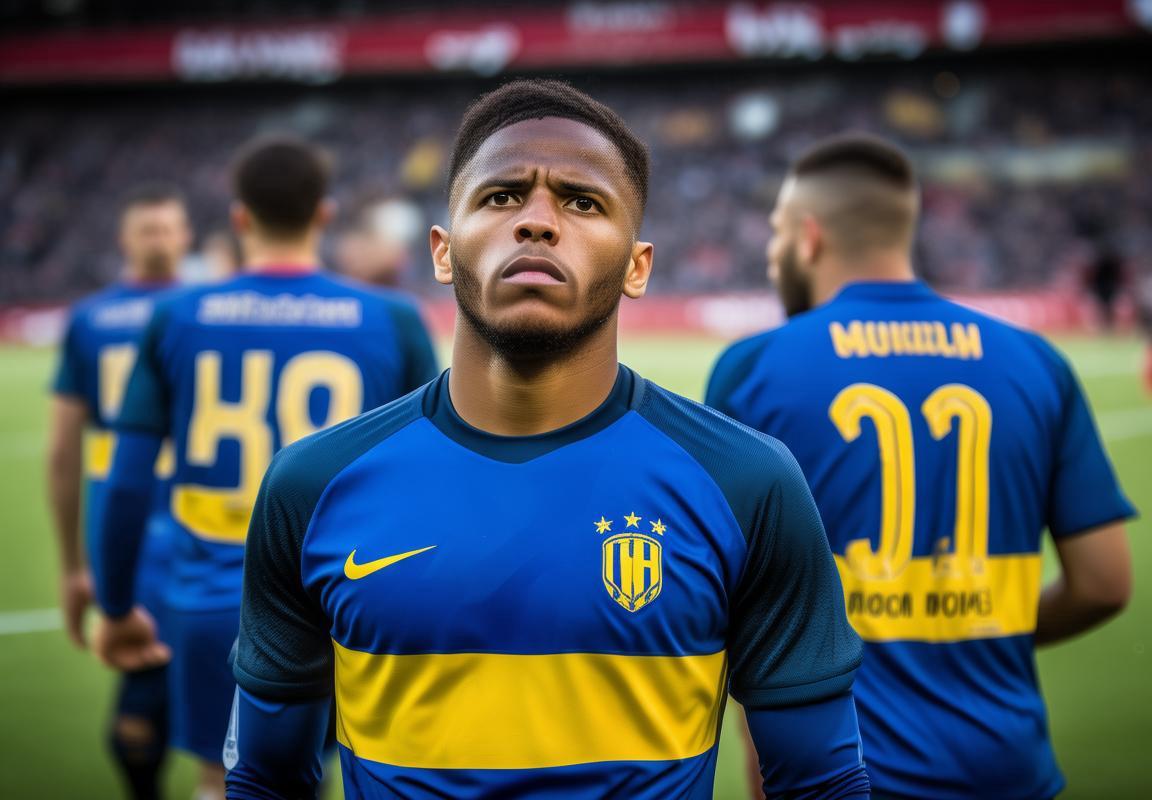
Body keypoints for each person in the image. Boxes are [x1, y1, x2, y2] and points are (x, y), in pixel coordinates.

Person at [223, 79, 868, 800]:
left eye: (582, 202)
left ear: (637, 266)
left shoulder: (748, 483)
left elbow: (822, 785)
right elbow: (264, 781)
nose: (536, 221)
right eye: (501, 197)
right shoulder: (311, 486)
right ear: (443, 252)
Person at [706, 134, 1135, 800]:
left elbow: (728, 603)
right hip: (1007, 772)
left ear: (809, 237)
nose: (771, 254)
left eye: (777, 234)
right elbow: (1105, 582)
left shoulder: (754, 369)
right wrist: (981, 632)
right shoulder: (1036, 361)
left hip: (839, 778)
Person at [90, 136, 439, 800]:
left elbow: (126, 479)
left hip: (213, 601)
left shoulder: (177, 316)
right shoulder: (393, 318)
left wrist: (114, 604)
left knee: (226, 780)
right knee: (337, 775)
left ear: (240, 217)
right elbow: (432, 472)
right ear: (324, 214)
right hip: (347, 598)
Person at [48, 183, 190, 800]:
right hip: (138, 523)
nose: (158, 240)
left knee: (146, 695)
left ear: (185, 236)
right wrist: (73, 563)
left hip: (190, 521)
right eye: (147, 229)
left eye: (167, 228)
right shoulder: (199, 310)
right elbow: (63, 450)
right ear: (124, 239)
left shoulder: (102, 318)